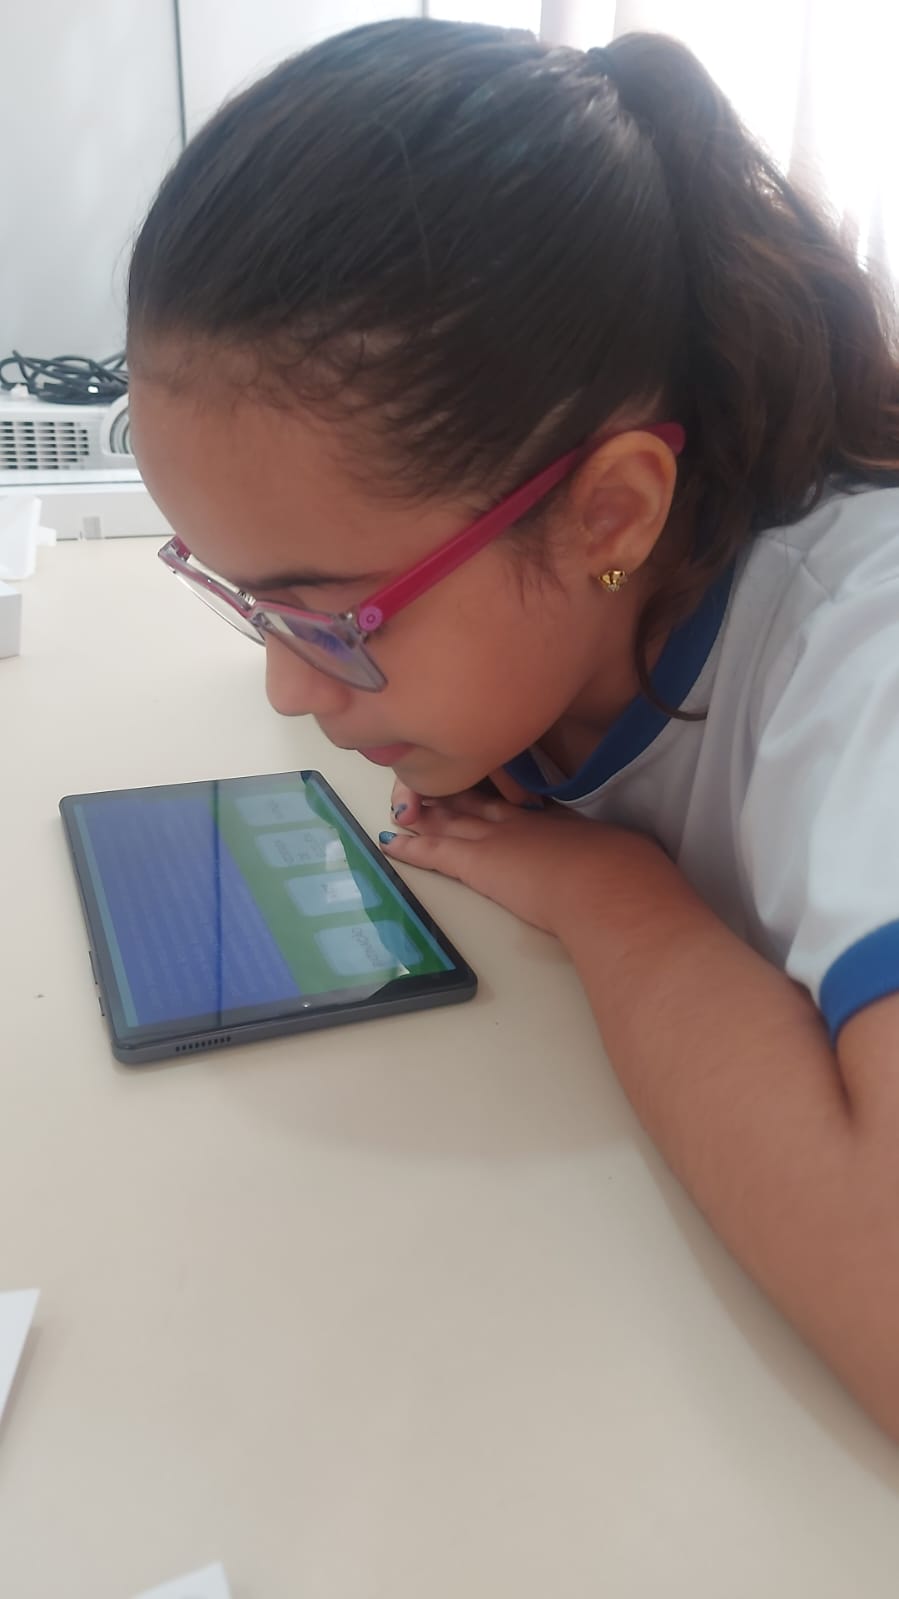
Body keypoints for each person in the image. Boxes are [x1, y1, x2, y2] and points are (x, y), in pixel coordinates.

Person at [126, 19, 899, 1434]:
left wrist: (614, 901)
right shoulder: (529, 614)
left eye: (328, 618)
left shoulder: (864, 651)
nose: (288, 690)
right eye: (244, 599)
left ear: (610, 515)